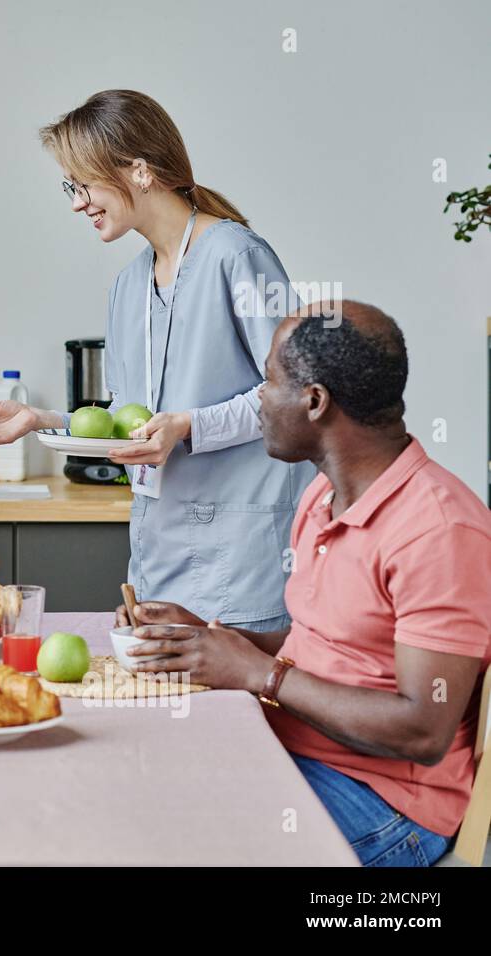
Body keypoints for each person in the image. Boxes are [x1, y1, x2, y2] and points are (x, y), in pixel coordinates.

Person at [116, 302, 491, 866]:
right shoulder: (323, 495)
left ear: (314, 402)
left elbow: (422, 729)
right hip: (291, 752)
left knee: (169, 845)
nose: (259, 400)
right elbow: (326, 646)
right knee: (134, 787)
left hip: (387, 807)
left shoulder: (439, 530)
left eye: (267, 381)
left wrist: (258, 673)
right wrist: (209, 639)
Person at [0, 90, 315, 631]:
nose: (77, 203)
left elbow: (297, 393)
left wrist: (189, 426)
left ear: (140, 171)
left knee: (229, 712)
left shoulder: (237, 256)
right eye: (70, 188)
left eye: (83, 185)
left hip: (242, 556)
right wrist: (46, 422)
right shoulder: (127, 287)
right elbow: (134, 417)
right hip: (158, 551)